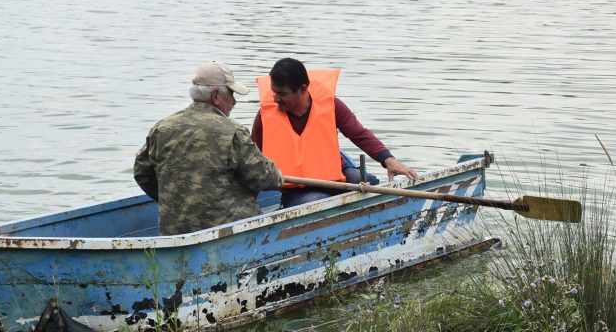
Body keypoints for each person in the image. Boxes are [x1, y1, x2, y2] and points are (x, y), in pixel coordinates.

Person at [134, 62, 283, 235]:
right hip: (227, 233)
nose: (234, 101)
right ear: (216, 96)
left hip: (173, 232)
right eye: (231, 94)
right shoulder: (232, 132)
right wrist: (278, 175)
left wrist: (174, 199)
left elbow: (142, 173)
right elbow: (266, 178)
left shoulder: (162, 129)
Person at [251, 57, 418, 208]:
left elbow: (359, 134)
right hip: (297, 187)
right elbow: (251, 160)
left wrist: (388, 159)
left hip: (336, 175)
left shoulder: (331, 106)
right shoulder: (266, 116)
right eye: (274, 92)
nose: (275, 99)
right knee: (317, 201)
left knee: (370, 182)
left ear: (302, 90)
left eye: (282, 94)